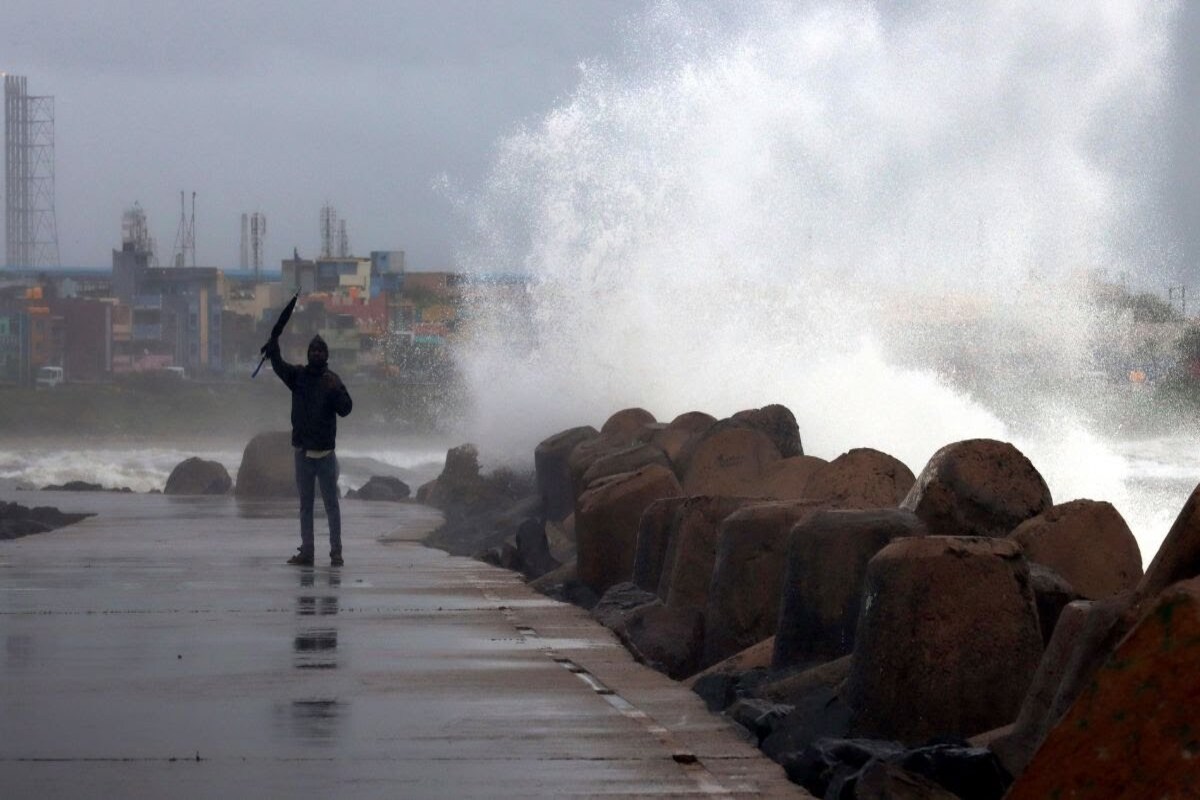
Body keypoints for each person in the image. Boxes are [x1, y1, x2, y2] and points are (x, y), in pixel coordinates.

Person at [266, 333, 353, 566]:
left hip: (326, 455)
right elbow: (280, 367)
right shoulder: (299, 376)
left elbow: (346, 409)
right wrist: (273, 350)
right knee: (306, 506)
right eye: (313, 350)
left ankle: (336, 553)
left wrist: (337, 391)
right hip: (303, 453)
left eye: (320, 351)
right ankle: (308, 552)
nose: (316, 353)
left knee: (331, 506)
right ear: (309, 354)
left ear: (326, 356)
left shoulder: (332, 381)